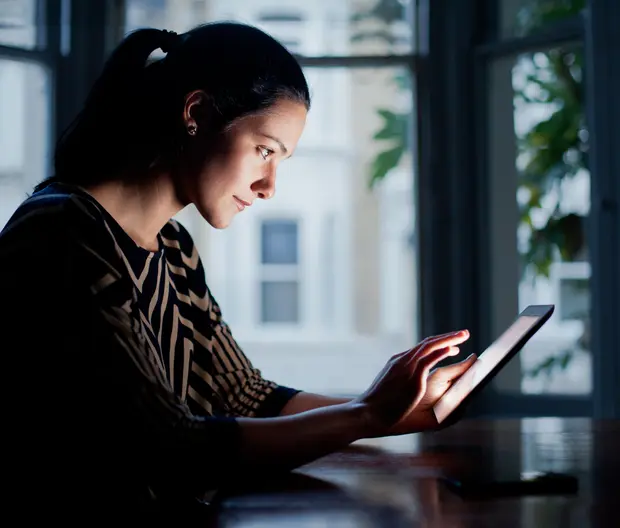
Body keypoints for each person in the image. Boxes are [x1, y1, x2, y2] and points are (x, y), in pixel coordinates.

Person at [0, 22, 476, 519]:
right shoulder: (63, 235)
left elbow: (243, 395)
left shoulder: (172, 247)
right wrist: (365, 414)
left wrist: (394, 410)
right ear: (197, 113)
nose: (270, 185)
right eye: (265, 151)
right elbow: (172, 448)